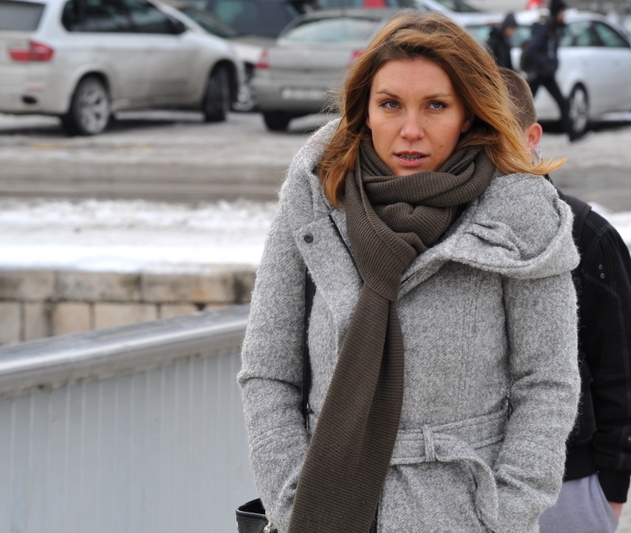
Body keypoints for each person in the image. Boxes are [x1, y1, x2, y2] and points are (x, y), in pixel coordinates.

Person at [239, 12, 582, 533]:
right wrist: (289, 500)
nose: (411, 130)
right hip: (321, 507)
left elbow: (548, 382)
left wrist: (504, 514)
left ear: (468, 113)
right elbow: (268, 371)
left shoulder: (520, 213)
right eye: (390, 104)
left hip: (464, 518)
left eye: (436, 105)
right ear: (366, 109)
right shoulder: (314, 195)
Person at [500, 67, 631, 533]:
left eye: (498, 134)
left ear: (532, 137)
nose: (485, 151)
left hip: (570, 486)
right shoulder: (439, 233)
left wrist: (611, 489)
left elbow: (626, 367)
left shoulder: (585, 233)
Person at [522, 0, 578, 140]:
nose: (564, 15)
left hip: (546, 74)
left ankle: (572, 134)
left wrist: (553, 64)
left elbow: (552, 50)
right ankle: (516, 135)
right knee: (525, 106)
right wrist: (546, 63)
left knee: (562, 102)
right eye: (562, 12)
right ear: (556, 12)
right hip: (538, 73)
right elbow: (532, 50)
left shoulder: (555, 27)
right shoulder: (546, 27)